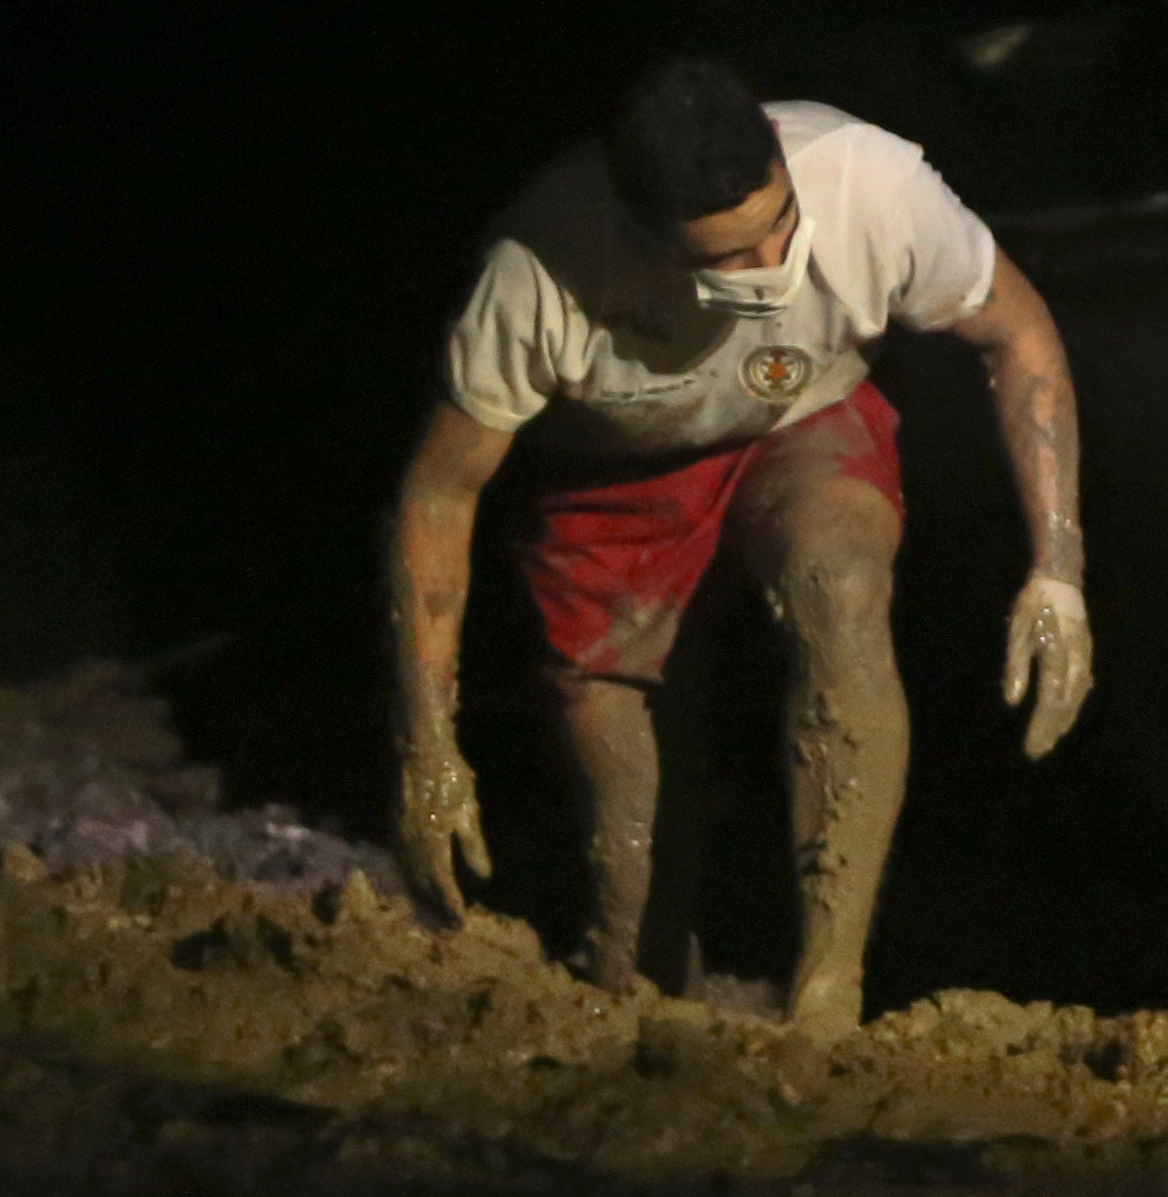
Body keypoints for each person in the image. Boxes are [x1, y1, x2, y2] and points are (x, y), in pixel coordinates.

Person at [384, 58, 1095, 1029]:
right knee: (636, 885)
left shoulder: (865, 179)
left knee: (838, 587)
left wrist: (1057, 571)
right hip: (613, 483)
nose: (769, 270)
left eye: (778, 228)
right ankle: (645, 983)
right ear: (645, 235)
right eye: (727, 257)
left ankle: (827, 994)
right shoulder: (542, 266)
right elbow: (438, 491)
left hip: (800, 424)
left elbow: (1019, 335)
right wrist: (427, 743)